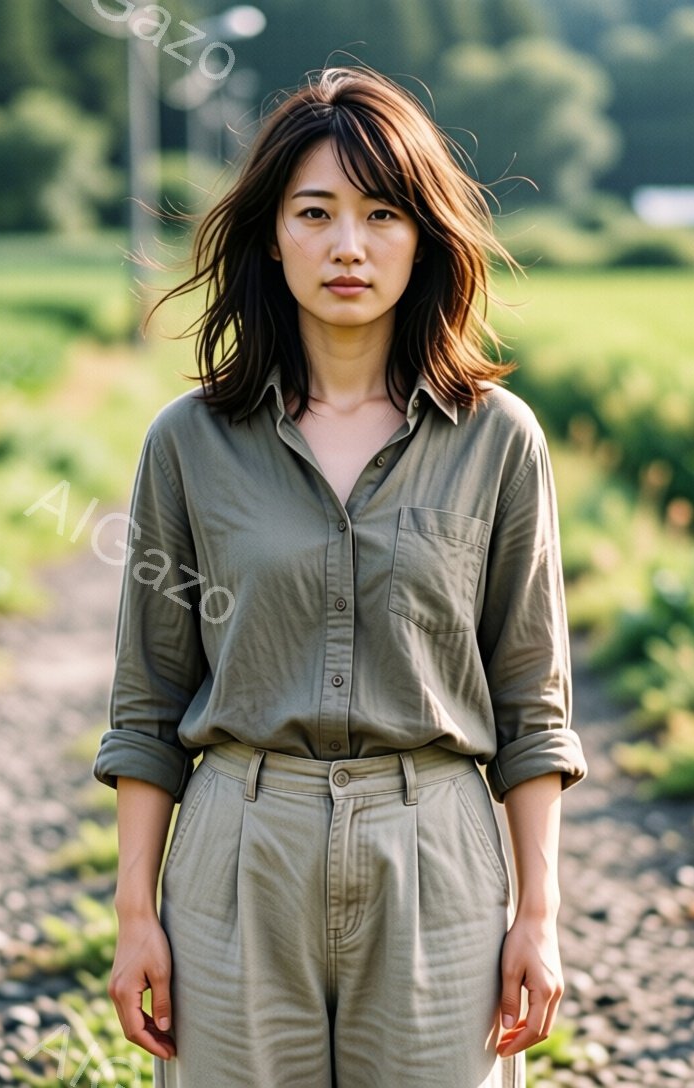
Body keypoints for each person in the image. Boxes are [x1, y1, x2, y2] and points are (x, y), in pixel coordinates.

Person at [88, 64, 590, 1087]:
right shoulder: (189, 441)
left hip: (437, 854)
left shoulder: (498, 440)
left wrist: (538, 914)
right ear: (273, 235)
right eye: (315, 212)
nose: (348, 245)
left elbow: (531, 702)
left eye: (382, 214)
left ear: (425, 237)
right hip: (237, 850)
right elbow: (149, 697)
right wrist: (136, 913)